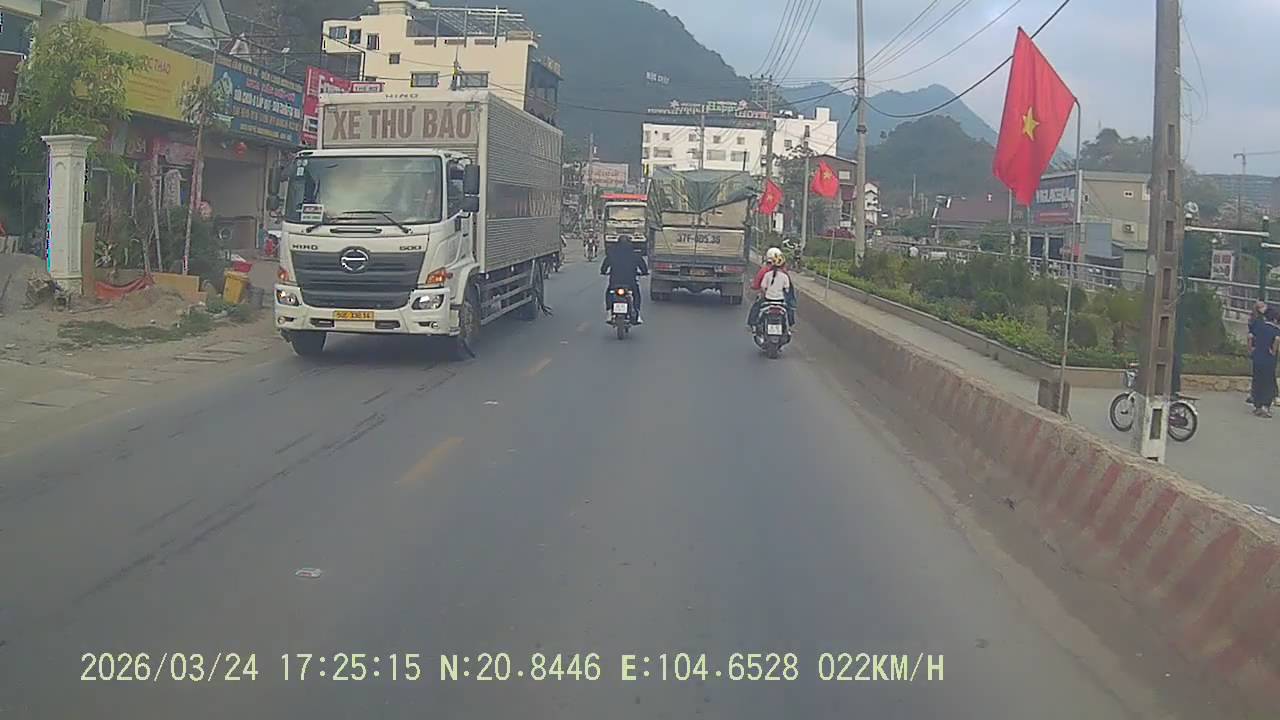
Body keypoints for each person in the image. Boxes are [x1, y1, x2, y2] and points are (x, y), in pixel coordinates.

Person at [600, 240, 648, 324]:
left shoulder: (612, 254)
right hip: (630, 282)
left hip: (615, 281)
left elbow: (604, 266)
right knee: (636, 294)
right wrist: (644, 272)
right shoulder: (635, 254)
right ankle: (637, 313)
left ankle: (609, 311)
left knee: (609, 293)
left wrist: (603, 271)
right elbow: (643, 266)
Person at [1248, 307, 1280, 417]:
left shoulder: (1259, 326)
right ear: (1275, 319)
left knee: (1257, 380)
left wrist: (1251, 349)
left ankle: (1257, 406)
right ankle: (1265, 407)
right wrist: (1273, 351)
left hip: (1257, 357)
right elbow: (1276, 340)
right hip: (1269, 359)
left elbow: (1250, 336)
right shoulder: (1276, 330)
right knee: (1268, 383)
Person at [754, 250, 797, 327]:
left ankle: (754, 324)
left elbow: (762, 286)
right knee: (790, 308)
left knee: (757, 308)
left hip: (768, 299)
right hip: (780, 300)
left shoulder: (766, 273)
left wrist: (765, 293)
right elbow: (787, 289)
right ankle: (790, 325)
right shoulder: (785, 275)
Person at [1248, 301, 1269, 405]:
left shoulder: (1253, 319)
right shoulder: (1260, 321)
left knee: (1256, 373)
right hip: (1260, 348)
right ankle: (1256, 396)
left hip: (1255, 348)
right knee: (1261, 374)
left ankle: (1253, 394)